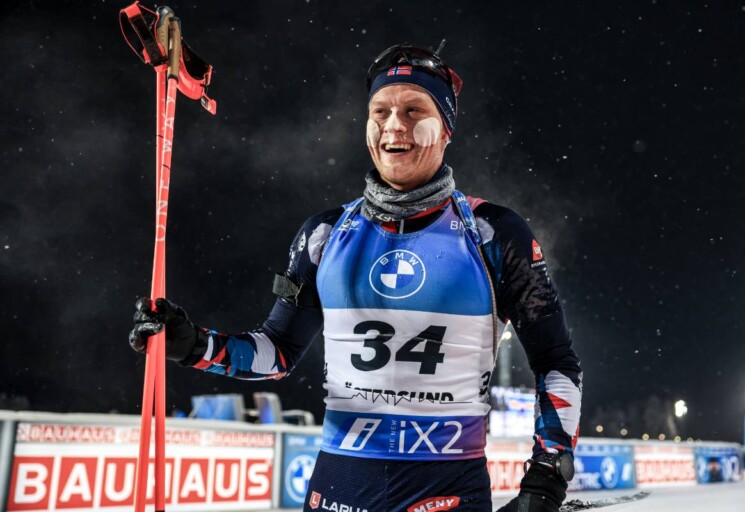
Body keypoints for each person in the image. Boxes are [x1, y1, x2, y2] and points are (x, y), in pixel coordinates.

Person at [130, 42, 582, 512]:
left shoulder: (493, 233)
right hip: (338, 489)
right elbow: (277, 352)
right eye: (380, 111)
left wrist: (546, 479)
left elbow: (556, 362)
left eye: (414, 110)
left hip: (447, 491)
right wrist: (193, 345)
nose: (394, 125)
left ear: (446, 128)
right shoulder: (324, 235)